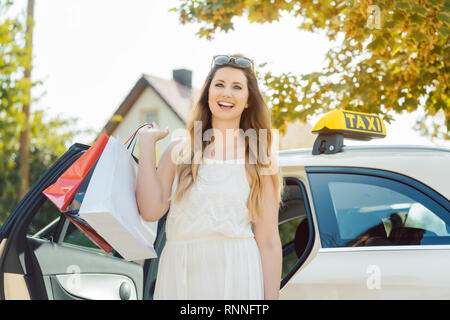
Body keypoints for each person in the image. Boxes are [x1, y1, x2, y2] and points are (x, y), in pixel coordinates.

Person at [136, 54, 285, 300]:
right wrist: (147, 145)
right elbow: (150, 211)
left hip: (237, 275)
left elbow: (268, 241)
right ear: (207, 93)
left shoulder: (260, 160)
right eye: (219, 84)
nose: (226, 93)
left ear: (248, 100)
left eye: (237, 87)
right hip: (180, 275)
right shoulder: (178, 152)